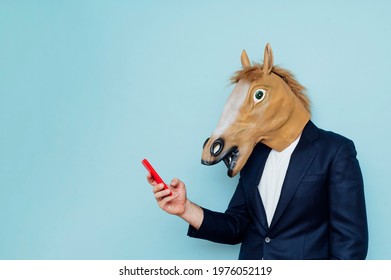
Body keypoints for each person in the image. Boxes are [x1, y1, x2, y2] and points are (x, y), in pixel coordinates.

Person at [146, 44, 368, 260]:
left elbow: (350, 246)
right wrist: (185, 208)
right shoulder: (255, 156)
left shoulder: (335, 151)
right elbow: (237, 226)